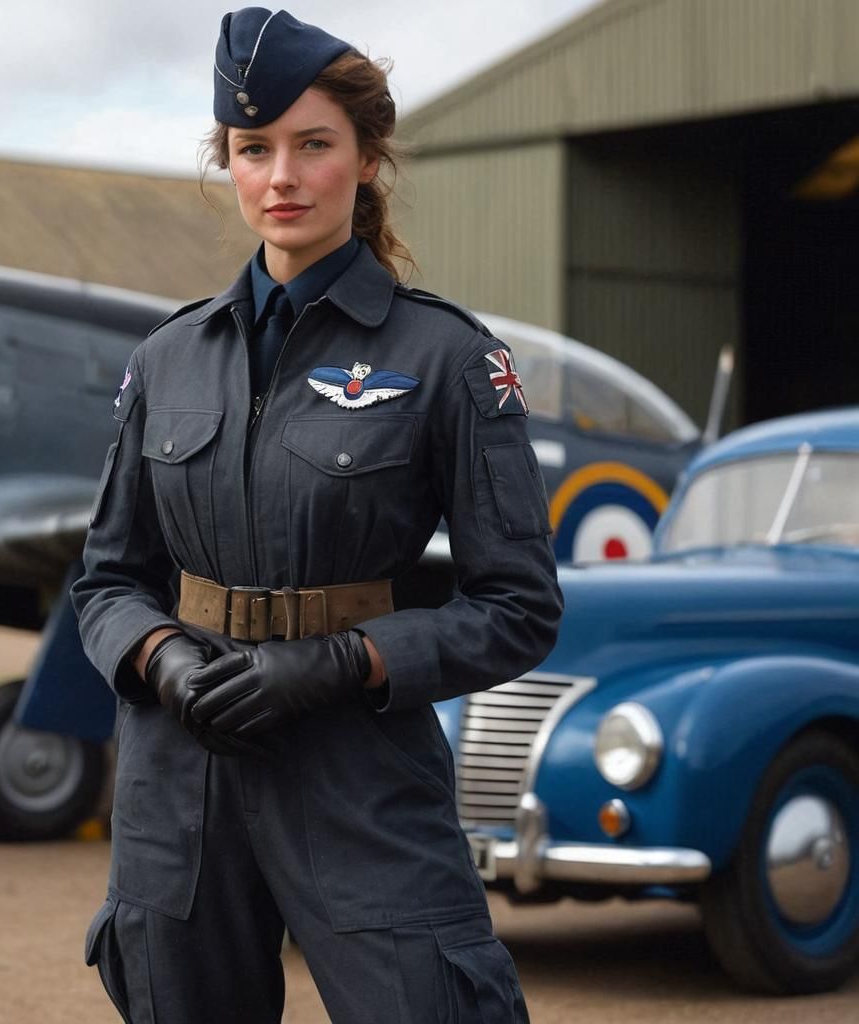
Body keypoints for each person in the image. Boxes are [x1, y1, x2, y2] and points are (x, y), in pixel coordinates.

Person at [72, 8, 563, 1023]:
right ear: (229, 163)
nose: (281, 177)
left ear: (368, 159)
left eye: (313, 145)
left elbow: (517, 606)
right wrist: (163, 656)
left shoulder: (448, 361)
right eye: (254, 149)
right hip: (182, 767)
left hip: (359, 768)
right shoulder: (168, 358)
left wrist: (341, 663)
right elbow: (105, 579)